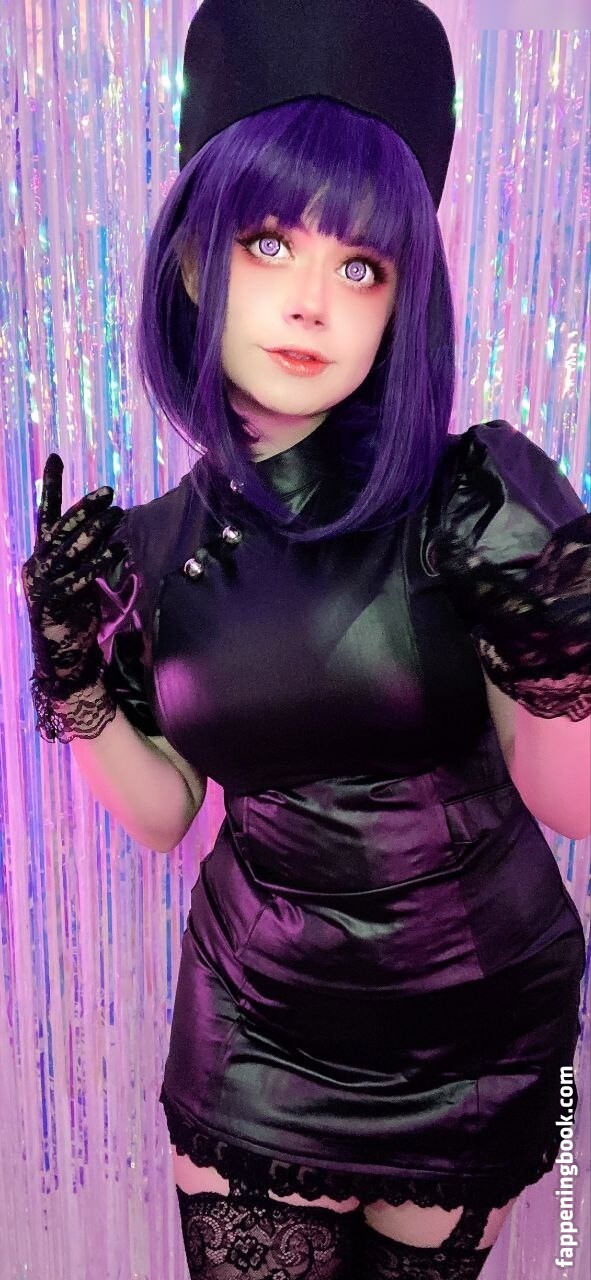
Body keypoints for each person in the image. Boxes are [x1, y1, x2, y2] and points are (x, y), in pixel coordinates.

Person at [20, 2, 590, 1277]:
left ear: (400, 303)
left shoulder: (472, 498)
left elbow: (574, 800)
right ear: (192, 260)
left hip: (473, 1027)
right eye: (269, 242)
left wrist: (572, 642)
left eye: (361, 267)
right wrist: (72, 673)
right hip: (254, 1027)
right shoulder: (149, 547)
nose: (310, 304)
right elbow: (166, 812)